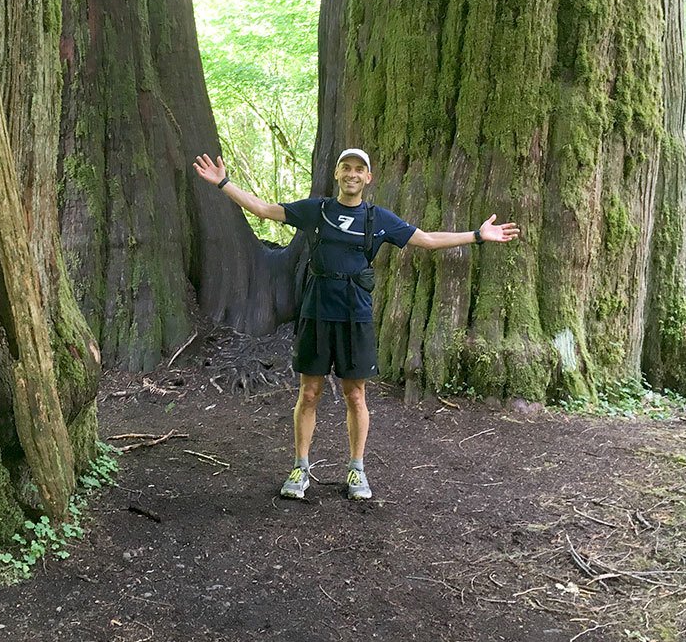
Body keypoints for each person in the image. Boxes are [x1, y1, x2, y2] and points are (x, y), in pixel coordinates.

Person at [192, 148, 520, 500]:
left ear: (368, 178)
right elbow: (263, 209)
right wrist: (223, 182)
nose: (351, 174)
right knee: (309, 392)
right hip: (317, 312)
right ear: (337, 174)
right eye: (345, 168)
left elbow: (425, 240)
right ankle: (300, 468)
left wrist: (476, 235)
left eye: (358, 169)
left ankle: (357, 470)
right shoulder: (316, 210)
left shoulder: (378, 219)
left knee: (356, 394)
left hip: (355, 314)